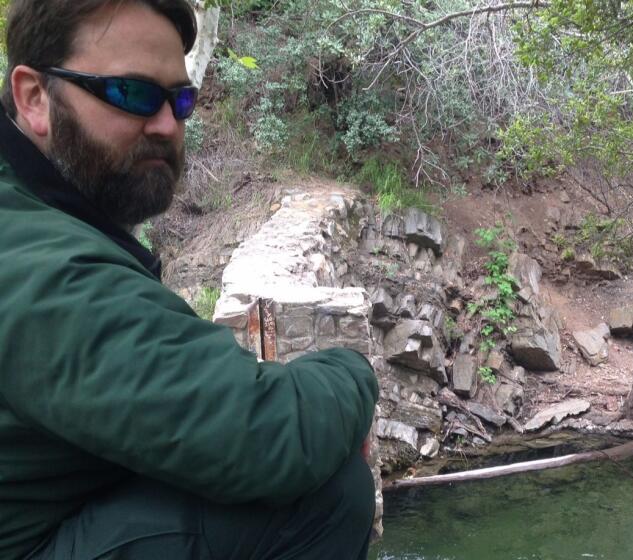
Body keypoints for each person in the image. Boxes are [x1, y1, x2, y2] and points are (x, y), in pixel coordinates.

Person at [0, 1, 379, 559]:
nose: (166, 125)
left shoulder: (42, 214)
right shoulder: (43, 266)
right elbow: (266, 434)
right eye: (133, 94)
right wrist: (354, 373)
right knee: (324, 492)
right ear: (35, 97)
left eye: (180, 100)